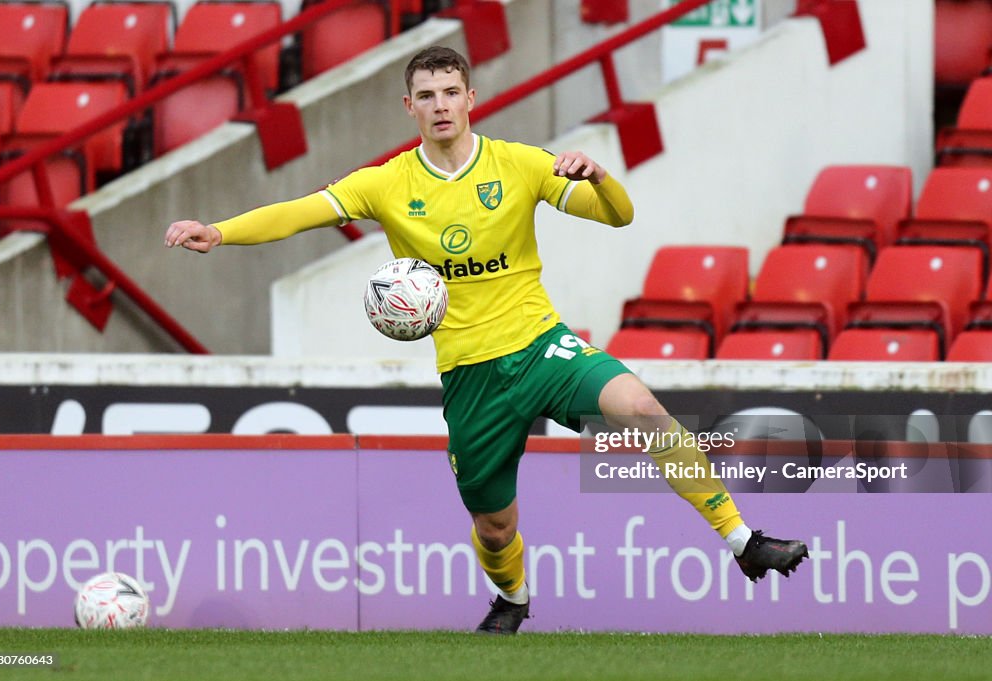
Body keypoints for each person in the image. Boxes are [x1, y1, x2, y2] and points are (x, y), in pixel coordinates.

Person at [165, 45, 808, 634]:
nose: (441, 104)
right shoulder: (387, 183)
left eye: (451, 92)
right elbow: (299, 211)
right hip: (471, 375)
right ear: (409, 105)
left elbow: (619, 216)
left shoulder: (520, 164)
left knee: (640, 407)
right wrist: (219, 231)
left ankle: (743, 542)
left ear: (471, 99)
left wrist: (599, 179)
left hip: (542, 348)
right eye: (427, 94)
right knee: (495, 527)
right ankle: (514, 598)